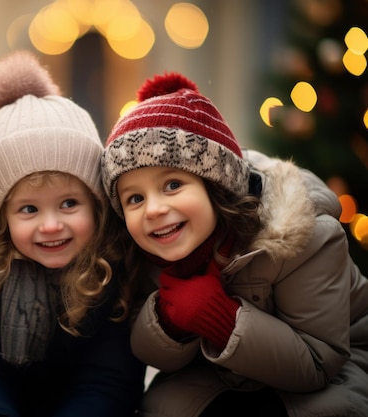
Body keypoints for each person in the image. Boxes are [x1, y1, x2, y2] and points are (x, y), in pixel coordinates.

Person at [101, 72, 368, 417]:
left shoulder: (305, 235)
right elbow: (147, 352)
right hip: (217, 372)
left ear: (217, 186)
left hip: (334, 368)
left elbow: (318, 363)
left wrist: (222, 320)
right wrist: (169, 322)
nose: (153, 209)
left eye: (172, 185)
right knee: (162, 406)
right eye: (135, 198)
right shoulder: (147, 247)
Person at [0, 50, 145, 417]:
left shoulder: (111, 271)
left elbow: (109, 378)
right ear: (1, 218)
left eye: (69, 204)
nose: (51, 225)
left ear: (97, 205)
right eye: (29, 209)